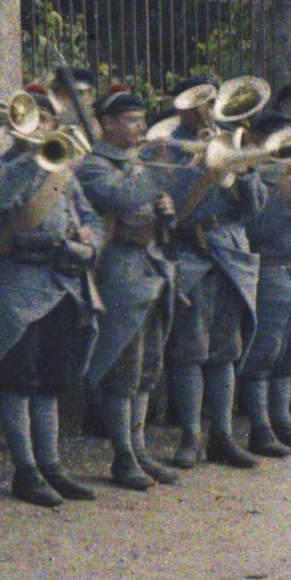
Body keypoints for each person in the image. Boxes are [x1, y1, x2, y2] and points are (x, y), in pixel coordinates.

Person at [0, 122, 102, 508]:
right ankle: (25, 470)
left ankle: (51, 465)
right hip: (18, 280)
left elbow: (88, 215)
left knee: (51, 378)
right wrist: (32, 160)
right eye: (33, 121)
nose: (42, 128)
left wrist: (92, 239)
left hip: (62, 279)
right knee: (18, 379)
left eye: (46, 120)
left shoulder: (64, 170)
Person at [160, 76, 267, 470]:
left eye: (210, 101)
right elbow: (164, 197)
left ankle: (222, 436)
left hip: (230, 249)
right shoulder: (168, 145)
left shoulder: (234, 140)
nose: (205, 110)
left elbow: (255, 207)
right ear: (183, 108)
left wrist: (244, 167)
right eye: (197, 102)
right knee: (190, 350)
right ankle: (191, 436)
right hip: (192, 251)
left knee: (227, 349)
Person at [77, 87, 181, 489]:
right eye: (132, 120)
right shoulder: (94, 165)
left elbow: (149, 203)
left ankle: (139, 450)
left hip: (150, 265)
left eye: (142, 120)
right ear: (107, 124)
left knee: (147, 369)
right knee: (122, 367)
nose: (141, 128)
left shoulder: (137, 163)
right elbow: (118, 198)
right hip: (119, 269)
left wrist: (165, 212)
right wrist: (157, 174)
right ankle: (122, 456)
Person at [237, 110, 291, 457]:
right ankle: (261, 429)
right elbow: (255, 231)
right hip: (271, 269)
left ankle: (283, 423)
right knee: (264, 353)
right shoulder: (253, 177)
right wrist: (286, 201)